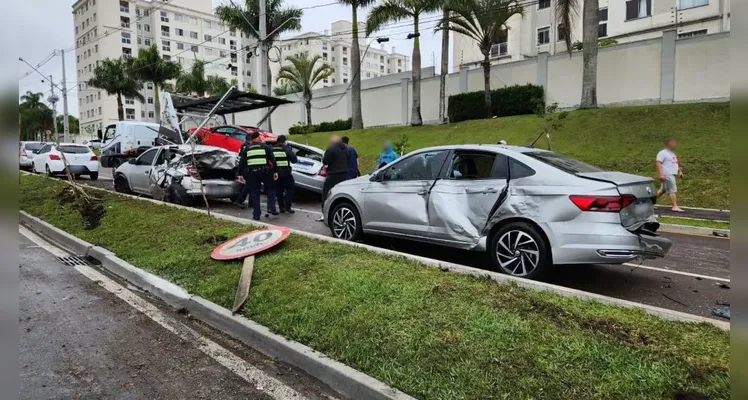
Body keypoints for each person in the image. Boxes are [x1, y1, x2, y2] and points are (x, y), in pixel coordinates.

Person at [235, 131, 277, 221]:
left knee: (255, 193)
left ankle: (256, 215)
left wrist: (240, 174)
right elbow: (273, 160)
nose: (261, 138)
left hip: (252, 173)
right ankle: (271, 207)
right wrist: (275, 171)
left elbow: (242, 162)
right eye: (260, 137)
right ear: (257, 138)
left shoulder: (247, 148)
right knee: (270, 189)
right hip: (265, 172)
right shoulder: (266, 147)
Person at [317, 135, 349, 221]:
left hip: (333, 174)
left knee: (326, 194)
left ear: (332, 142)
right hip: (344, 175)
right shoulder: (346, 149)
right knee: (342, 195)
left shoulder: (331, 149)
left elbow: (325, 161)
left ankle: (325, 215)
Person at [656, 138, 684, 213]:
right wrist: (661, 174)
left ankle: (648, 203)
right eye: (673, 143)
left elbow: (675, 164)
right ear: (668, 144)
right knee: (673, 190)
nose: (675, 145)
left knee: (662, 191)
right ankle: (675, 206)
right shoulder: (662, 153)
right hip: (667, 174)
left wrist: (679, 171)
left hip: (671, 174)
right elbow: (658, 163)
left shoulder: (672, 154)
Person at [272, 135, 298, 213]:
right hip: (285, 172)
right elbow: (294, 160)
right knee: (290, 188)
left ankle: (281, 208)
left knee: (279, 190)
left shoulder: (272, 149)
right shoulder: (286, 148)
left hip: (275, 173)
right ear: (284, 141)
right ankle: (287, 206)